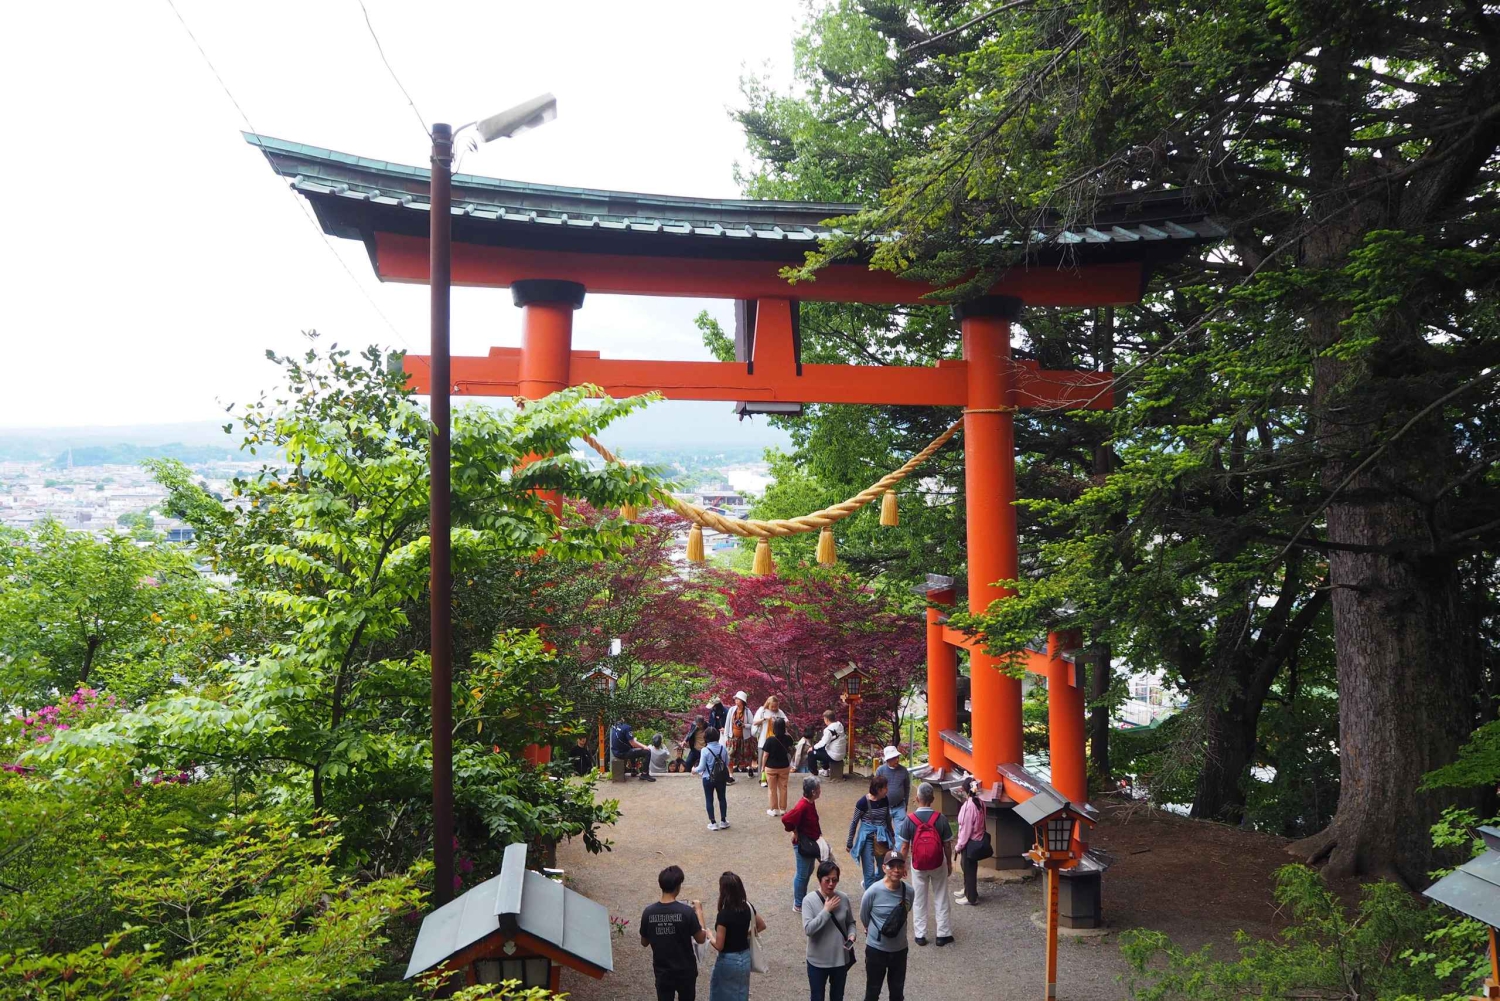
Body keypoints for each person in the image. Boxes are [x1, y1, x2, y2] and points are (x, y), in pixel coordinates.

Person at [894, 782, 954, 947]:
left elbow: (904, 846)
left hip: (918, 864)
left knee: (919, 898)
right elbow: (947, 845)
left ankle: (920, 935)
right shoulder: (941, 819)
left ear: (917, 798)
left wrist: (902, 865)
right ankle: (943, 934)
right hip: (938, 863)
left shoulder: (909, 820)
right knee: (941, 896)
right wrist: (949, 863)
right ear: (932, 799)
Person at [640, 864, 708, 1001]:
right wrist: (699, 912)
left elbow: (644, 942)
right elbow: (701, 938)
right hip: (686, 971)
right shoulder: (686, 912)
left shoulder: (648, 912)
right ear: (678, 886)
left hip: (663, 972)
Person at [859, 854, 911, 1001]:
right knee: (872, 991)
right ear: (883, 868)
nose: (896, 870)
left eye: (900, 866)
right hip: (876, 949)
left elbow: (907, 911)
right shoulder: (873, 892)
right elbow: (864, 916)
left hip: (899, 949)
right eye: (891, 866)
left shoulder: (909, 891)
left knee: (897, 992)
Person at [803, 859, 857, 1001]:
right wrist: (826, 911)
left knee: (838, 997)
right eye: (827, 880)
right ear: (819, 879)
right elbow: (809, 929)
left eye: (835, 880)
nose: (831, 884)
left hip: (840, 960)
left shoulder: (843, 898)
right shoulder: (809, 901)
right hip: (817, 962)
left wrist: (852, 934)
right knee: (817, 997)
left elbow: (851, 923)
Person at [708, 871, 764, 1001]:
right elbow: (761, 925)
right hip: (745, 958)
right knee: (740, 994)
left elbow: (719, 945)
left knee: (720, 994)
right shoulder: (748, 906)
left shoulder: (724, 915)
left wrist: (709, 935)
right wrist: (745, 934)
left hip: (728, 960)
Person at [782, 774, 824, 912]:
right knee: (802, 873)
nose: (820, 791)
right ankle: (798, 903)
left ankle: (801, 899)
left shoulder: (809, 803)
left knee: (808, 870)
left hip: (810, 842)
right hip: (803, 843)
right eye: (818, 788)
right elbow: (786, 819)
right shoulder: (803, 805)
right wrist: (794, 831)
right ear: (813, 791)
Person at [846, 774, 895, 890]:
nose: (887, 790)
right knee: (869, 872)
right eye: (885, 787)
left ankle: (870, 885)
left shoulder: (885, 800)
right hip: (867, 838)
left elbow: (887, 818)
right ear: (878, 789)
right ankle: (870, 893)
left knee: (883, 869)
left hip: (882, 837)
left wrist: (892, 835)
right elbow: (854, 822)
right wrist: (849, 842)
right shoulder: (862, 802)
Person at [953, 777, 987, 906]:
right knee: (970, 868)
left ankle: (971, 897)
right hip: (978, 839)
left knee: (968, 869)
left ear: (965, 790)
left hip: (969, 842)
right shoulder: (980, 802)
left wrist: (959, 846)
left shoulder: (968, 806)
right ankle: (968, 890)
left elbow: (966, 829)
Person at [694, 726, 731, 830]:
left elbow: (701, 767)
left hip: (707, 778)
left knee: (709, 799)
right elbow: (727, 763)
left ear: (706, 737)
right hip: (721, 778)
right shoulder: (723, 748)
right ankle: (723, 821)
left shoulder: (705, 750)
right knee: (722, 798)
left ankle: (713, 822)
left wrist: (694, 770)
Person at [752, 695, 788, 786]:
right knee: (762, 759)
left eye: (776, 706)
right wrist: (765, 719)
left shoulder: (779, 712)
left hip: (776, 740)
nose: (774, 708)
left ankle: (772, 778)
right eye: (772, 706)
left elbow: (787, 722)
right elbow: (755, 722)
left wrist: (780, 721)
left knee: (772, 759)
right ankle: (762, 778)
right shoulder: (762, 710)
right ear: (768, 704)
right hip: (764, 738)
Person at [875, 746, 911, 832]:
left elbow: (907, 788)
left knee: (901, 832)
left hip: (900, 806)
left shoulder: (903, 770)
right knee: (884, 832)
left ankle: (898, 842)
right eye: (894, 758)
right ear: (888, 759)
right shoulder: (880, 771)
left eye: (897, 757)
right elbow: (876, 789)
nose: (897, 760)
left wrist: (905, 803)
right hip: (884, 807)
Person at [762, 718, 793, 816]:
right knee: (783, 788)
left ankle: (774, 809)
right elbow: (791, 745)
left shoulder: (770, 740)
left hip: (771, 767)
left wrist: (762, 767)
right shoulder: (788, 739)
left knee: (772, 789)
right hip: (784, 767)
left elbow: (765, 755)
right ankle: (783, 809)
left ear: (774, 727)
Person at [724, 692, 754, 774]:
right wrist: (726, 737)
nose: (736, 700)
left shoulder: (747, 712)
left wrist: (744, 725)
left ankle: (750, 769)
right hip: (733, 738)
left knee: (747, 756)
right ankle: (730, 774)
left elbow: (752, 725)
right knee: (730, 756)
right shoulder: (732, 710)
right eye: (736, 699)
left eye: (738, 699)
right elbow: (727, 724)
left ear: (742, 701)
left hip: (745, 738)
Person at [811, 710, 847, 775]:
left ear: (826, 719)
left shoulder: (828, 730)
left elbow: (823, 743)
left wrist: (813, 748)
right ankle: (825, 770)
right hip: (841, 754)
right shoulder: (839, 725)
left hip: (834, 755)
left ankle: (814, 773)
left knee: (811, 753)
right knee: (824, 748)